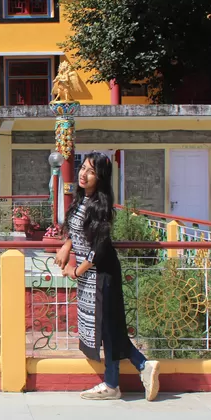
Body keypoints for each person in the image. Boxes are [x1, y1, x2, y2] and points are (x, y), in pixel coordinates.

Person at [54, 152, 159, 401]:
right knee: (109, 329)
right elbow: (76, 229)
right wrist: (67, 246)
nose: (83, 174)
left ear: (100, 178)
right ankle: (140, 368)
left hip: (101, 274)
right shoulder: (82, 199)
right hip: (91, 276)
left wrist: (75, 271)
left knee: (108, 329)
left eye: (91, 171)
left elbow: (97, 248)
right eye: (83, 168)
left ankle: (118, 381)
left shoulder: (100, 206)